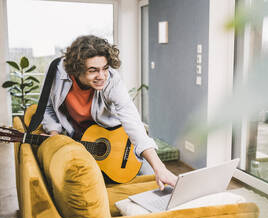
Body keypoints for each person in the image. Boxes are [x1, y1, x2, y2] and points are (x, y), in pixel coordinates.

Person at [41, 35, 177, 190]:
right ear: (76, 69)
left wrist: (160, 167)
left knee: (154, 181)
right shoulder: (56, 73)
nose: (102, 76)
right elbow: (48, 106)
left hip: (118, 140)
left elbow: (129, 115)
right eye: (93, 71)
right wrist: (54, 132)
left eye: (105, 68)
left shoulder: (111, 79)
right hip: (82, 145)